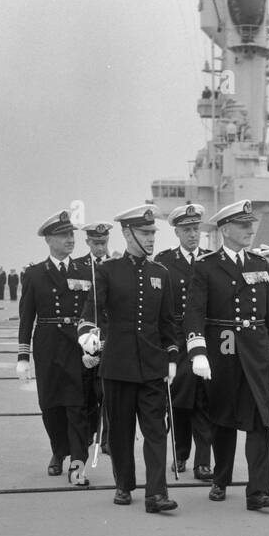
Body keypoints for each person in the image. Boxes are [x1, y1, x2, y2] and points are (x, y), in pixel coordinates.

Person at [77, 204, 182, 513]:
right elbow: (90, 314)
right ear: (127, 233)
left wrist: (172, 358)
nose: (151, 239)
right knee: (120, 433)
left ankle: (156, 494)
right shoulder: (107, 271)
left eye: (153, 233)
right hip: (118, 365)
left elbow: (168, 324)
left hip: (152, 367)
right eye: (145, 233)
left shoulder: (160, 273)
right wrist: (88, 338)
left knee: (155, 431)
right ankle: (124, 484)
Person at [183, 200, 269, 510]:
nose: (249, 230)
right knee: (223, 420)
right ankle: (220, 478)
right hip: (222, 349)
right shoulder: (206, 266)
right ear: (225, 229)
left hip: (254, 353)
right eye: (243, 225)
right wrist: (198, 351)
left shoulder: (258, 263)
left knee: (259, 420)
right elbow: (195, 312)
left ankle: (257, 492)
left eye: (250, 224)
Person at [18, 211, 94, 485]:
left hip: (77, 344)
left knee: (77, 406)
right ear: (49, 240)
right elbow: (27, 317)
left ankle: (77, 463)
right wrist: (22, 357)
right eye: (63, 236)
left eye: (71, 235)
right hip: (48, 344)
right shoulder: (35, 274)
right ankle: (57, 450)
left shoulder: (84, 272)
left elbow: (93, 312)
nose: (69, 240)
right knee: (50, 406)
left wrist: (94, 345)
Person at [154, 203, 214, 481]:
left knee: (205, 400)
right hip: (176, 338)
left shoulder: (211, 260)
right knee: (179, 399)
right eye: (187, 230)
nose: (193, 235)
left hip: (205, 338)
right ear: (176, 232)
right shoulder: (164, 262)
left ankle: (204, 461)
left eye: (196, 229)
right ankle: (180, 455)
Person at [76, 222, 114, 458]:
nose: (101, 247)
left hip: (110, 339)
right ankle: (89, 434)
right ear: (88, 242)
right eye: (96, 243)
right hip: (85, 339)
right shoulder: (78, 268)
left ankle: (108, 439)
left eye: (104, 242)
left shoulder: (115, 266)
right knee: (88, 394)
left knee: (109, 393)